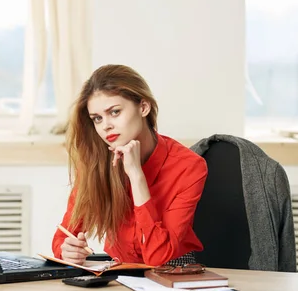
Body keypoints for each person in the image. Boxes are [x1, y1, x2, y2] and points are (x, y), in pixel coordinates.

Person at [52, 64, 208, 267]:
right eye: (97, 118)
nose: (106, 125)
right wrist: (67, 251)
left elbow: (158, 256)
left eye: (115, 112)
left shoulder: (189, 167)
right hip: (120, 271)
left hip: (174, 272)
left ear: (143, 108)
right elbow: (64, 236)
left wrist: (136, 175)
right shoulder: (96, 163)